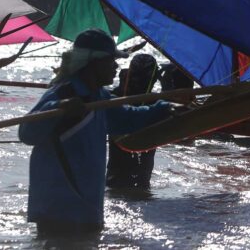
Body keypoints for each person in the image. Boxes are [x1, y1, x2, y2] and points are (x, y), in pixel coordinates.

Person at [18, 29, 174, 237]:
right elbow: (26, 133)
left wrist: (162, 108)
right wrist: (59, 108)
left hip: (87, 210)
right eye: (111, 61)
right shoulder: (64, 92)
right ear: (93, 63)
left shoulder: (99, 97)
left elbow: (127, 118)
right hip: (58, 211)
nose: (116, 67)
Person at [106, 54, 161, 190]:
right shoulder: (117, 97)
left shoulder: (154, 102)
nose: (139, 82)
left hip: (135, 174)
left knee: (138, 184)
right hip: (117, 174)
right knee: (123, 183)